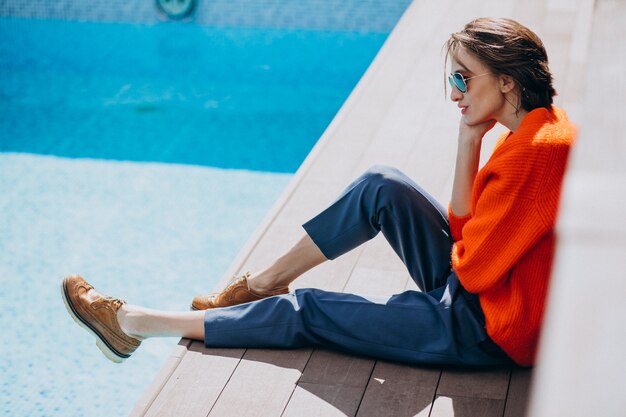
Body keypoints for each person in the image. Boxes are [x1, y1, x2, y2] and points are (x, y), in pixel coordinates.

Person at [61, 17, 576, 368]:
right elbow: (470, 238)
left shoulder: (537, 151)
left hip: (487, 329)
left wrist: (468, 161)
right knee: (382, 185)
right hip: (487, 295)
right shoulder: (535, 129)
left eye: (463, 79)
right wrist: (468, 143)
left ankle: (133, 324)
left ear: (506, 81)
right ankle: (262, 282)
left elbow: (469, 266)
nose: (453, 93)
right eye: (452, 78)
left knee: (312, 311)